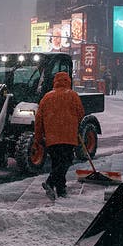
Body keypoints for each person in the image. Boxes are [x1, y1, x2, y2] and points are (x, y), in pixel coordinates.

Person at [34, 72, 85, 200]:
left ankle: (61, 190)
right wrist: (74, 124)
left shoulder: (47, 97)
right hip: (68, 136)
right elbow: (81, 114)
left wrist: (39, 137)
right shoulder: (73, 95)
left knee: (57, 162)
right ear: (68, 81)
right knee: (66, 161)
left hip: (52, 138)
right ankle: (50, 182)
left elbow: (38, 119)